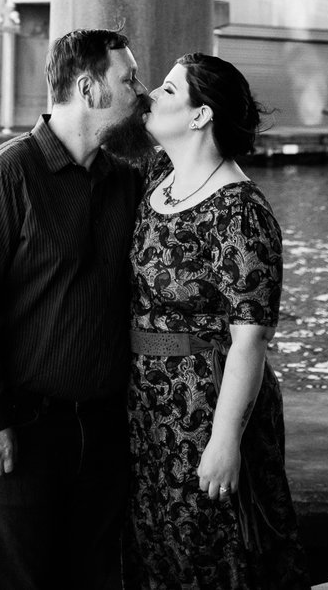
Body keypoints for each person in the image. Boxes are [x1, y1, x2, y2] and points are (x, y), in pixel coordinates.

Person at [0, 27, 149, 590]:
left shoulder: (124, 182)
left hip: (105, 431)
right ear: (89, 89)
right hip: (19, 433)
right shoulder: (6, 173)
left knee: (97, 579)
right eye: (128, 79)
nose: (140, 90)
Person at [124, 52, 311, 590]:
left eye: (166, 90)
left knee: (216, 543)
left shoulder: (240, 211)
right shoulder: (159, 175)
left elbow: (250, 338)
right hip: (146, 400)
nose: (150, 97)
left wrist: (225, 439)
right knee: (155, 543)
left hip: (205, 402)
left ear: (200, 115)